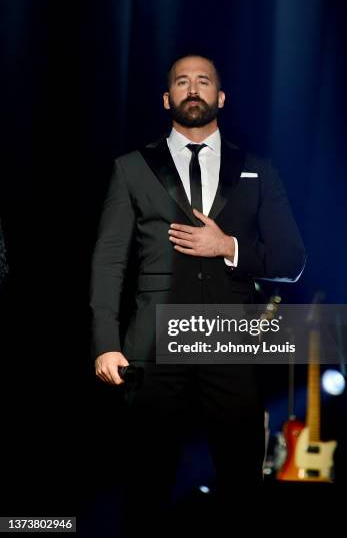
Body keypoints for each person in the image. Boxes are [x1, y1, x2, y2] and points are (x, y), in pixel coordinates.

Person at [90, 55, 306, 530]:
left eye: (203, 81)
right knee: (145, 488)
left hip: (230, 346)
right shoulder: (131, 168)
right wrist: (105, 340)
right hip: (152, 348)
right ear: (167, 98)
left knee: (240, 488)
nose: (193, 89)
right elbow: (109, 261)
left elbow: (292, 260)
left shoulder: (258, 170)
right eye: (182, 82)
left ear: (220, 97)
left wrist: (227, 245)